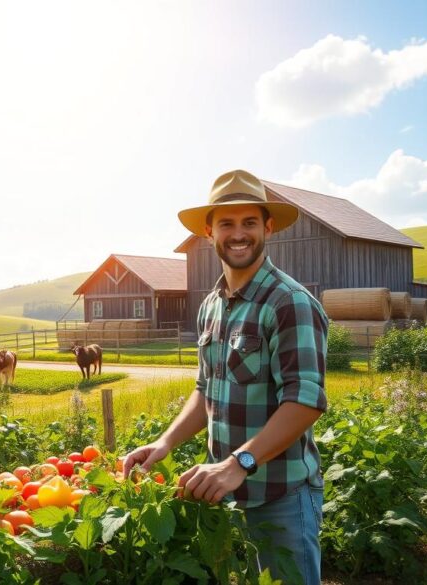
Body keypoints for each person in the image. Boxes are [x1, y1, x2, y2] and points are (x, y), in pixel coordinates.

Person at [123, 169, 327, 584]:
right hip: (225, 493)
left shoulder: (289, 302)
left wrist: (239, 462)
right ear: (208, 231)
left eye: (250, 222)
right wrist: (165, 442)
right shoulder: (212, 306)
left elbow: (305, 400)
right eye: (227, 223)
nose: (239, 234)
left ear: (267, 227)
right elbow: (206, 390)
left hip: (280, 497)